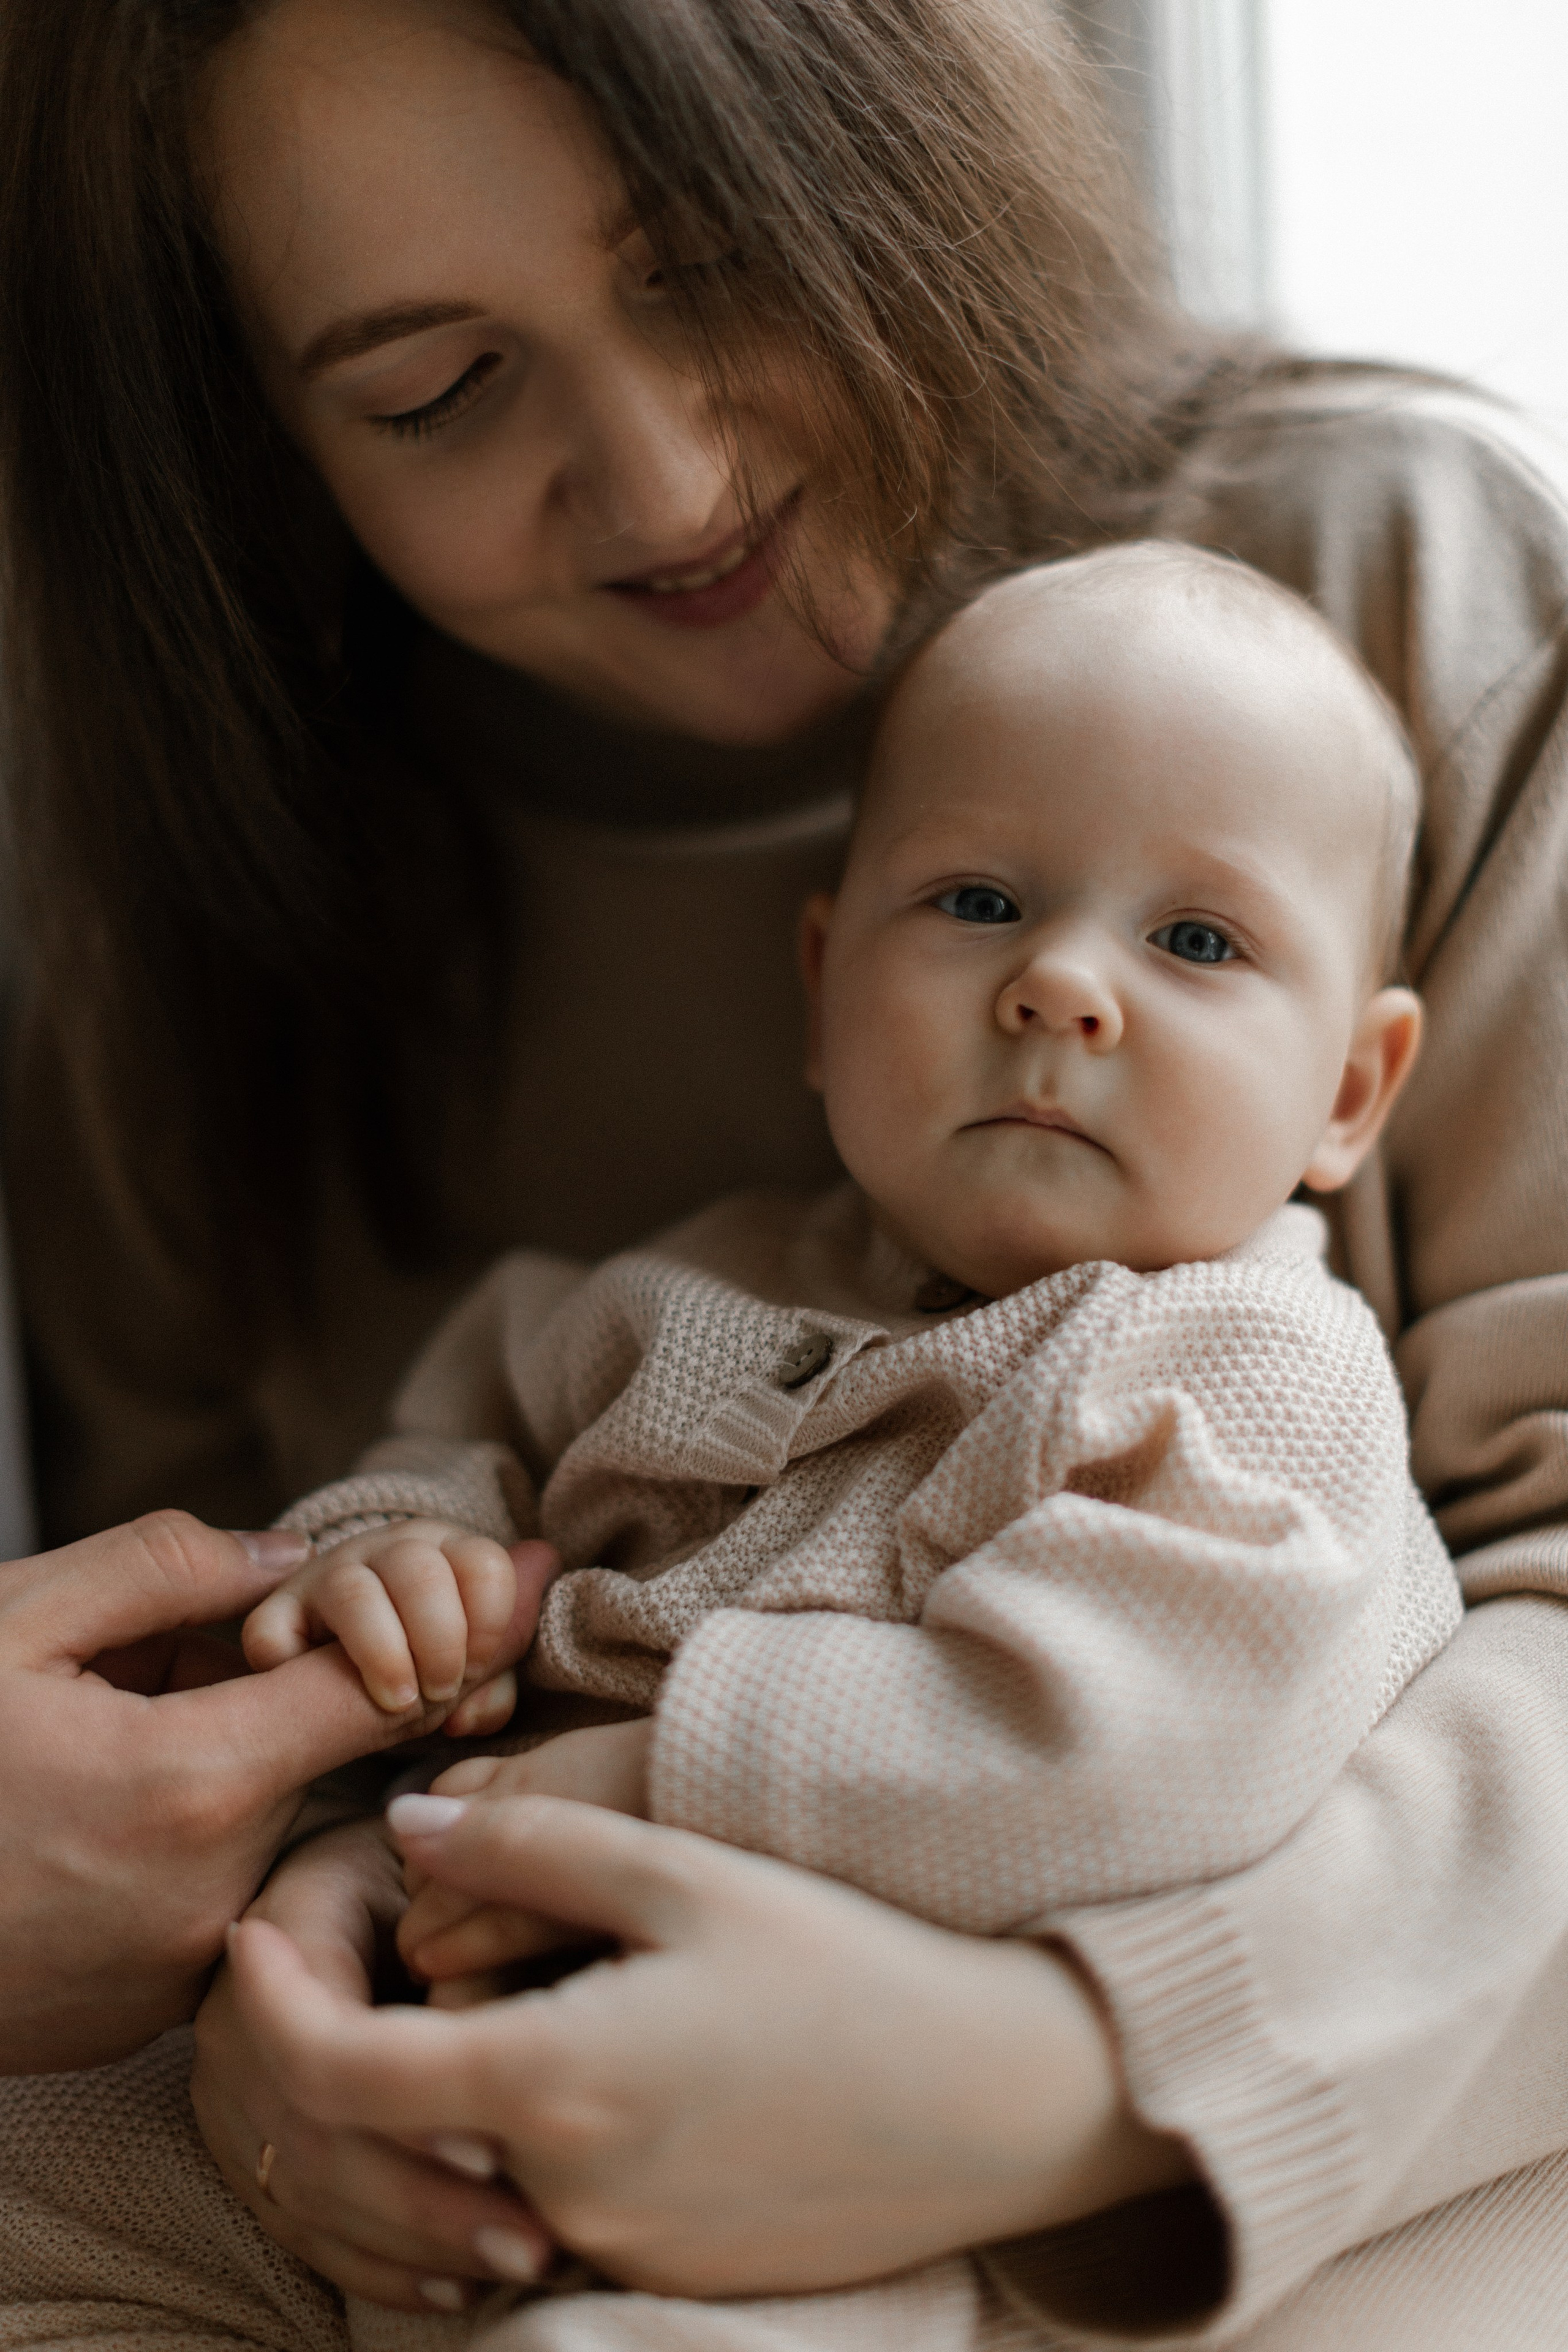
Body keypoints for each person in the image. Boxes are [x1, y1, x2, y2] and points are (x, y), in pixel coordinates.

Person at [1, 0, 1567, 2345]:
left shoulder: (1381, 590)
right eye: (434, 392)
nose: (658, 482)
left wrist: (1056, 2085)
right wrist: (278, 1950)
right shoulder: (204, 868)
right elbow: (272, 1606)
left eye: (721, 260)